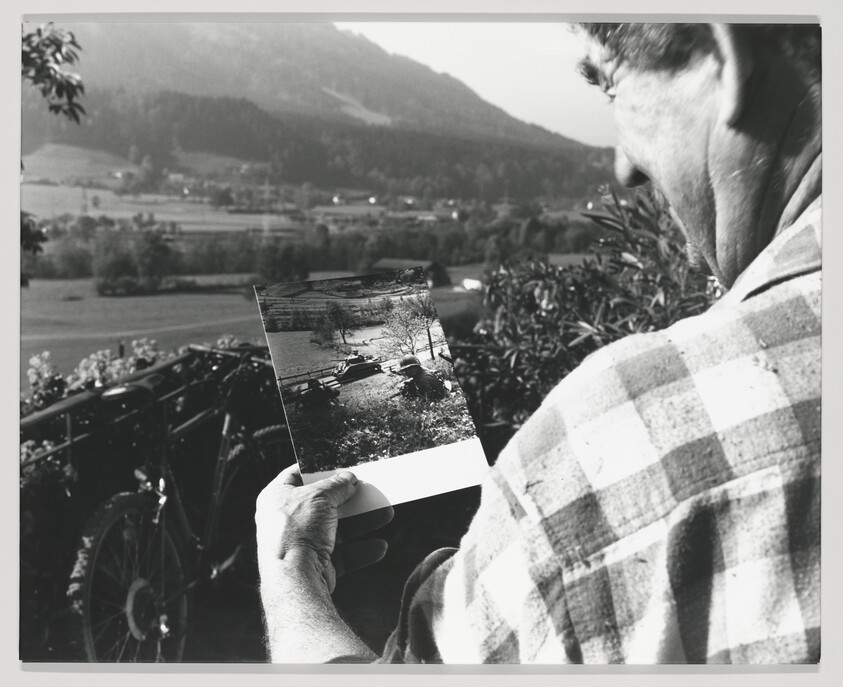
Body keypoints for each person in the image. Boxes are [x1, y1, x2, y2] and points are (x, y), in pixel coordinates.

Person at [255, 23, 820, 663]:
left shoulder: (632, 436)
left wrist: (291, 575)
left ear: (728, 55)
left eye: (609, 83)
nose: (624, 167)